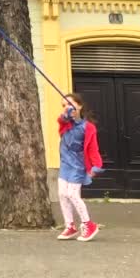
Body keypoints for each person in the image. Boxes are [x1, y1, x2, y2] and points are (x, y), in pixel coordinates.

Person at [56, 93, 103, 242]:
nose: (66, 108)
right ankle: (70, 226)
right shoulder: (66, 123)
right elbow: (61, 120)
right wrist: (67, 114)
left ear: (80, 106)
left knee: (72, 195)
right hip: (65, 163)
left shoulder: (88, 127)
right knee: (62, 194)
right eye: (63, 105)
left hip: (77, 165)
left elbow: (93, 149)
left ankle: (89, 224)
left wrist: (96, 166)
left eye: (69, 104)